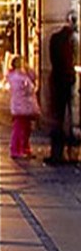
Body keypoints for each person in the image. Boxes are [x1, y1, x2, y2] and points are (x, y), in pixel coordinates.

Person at [47, 12, 76, 165]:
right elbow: (68, 61)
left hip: (57, 80)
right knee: (64, 117)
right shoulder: (68, 41)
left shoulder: (56, 39)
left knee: (57, 118)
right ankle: (63, 152)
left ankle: (57, 152)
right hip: (64, 80)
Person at [7, 55, 39, 160]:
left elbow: (34, 77)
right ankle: (16, 150)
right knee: (19, 128)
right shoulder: (16, 77)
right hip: (20, 107)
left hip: (26, 106)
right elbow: (26, 89)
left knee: (26, 129)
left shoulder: (23, 75)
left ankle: (25, 148)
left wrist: (29, 70)